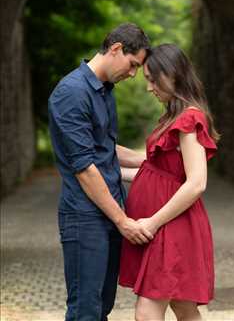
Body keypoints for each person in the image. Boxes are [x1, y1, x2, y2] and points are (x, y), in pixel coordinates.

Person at [48, 23, 154, 321]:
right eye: (133, 65)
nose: (133, 74)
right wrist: (124, 222)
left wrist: (153, 163)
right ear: (116, 48)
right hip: (84, 218)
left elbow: (107, 150)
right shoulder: (71, 92)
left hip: (108, 213)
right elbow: (85, 169)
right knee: (86, 311)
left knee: (102, 307)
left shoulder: (104, 90)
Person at [119, 44, 219, 321]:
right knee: (184, 308)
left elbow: (197, 182)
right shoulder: (171, 117)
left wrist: (151, 222)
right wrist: (106, 166)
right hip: (169, 225)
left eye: (152, 79)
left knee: (147, 312)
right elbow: (154, 172)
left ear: (172, 74)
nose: (149, 88)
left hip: (172, 226)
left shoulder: (189, 118)